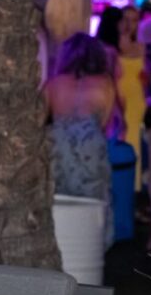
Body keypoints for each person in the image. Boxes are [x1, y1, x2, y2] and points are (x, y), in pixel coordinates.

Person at [43, 32, 117, 248]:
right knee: (94, 200)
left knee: (58, 199)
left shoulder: (53, 84)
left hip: (57, 144)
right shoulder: (105, 84)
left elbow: (41, 119)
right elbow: (106, 123)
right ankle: (91, 248)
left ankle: (61, 247)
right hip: (90, 143)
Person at [117, 5, 150, 193]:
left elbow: (145, 76)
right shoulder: (112, 45)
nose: (130, 24)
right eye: (126, 19)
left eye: (134, 20)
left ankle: (134, 187)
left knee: (134, 138)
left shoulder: (142, 47)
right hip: (117, 97)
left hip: (136, 98)